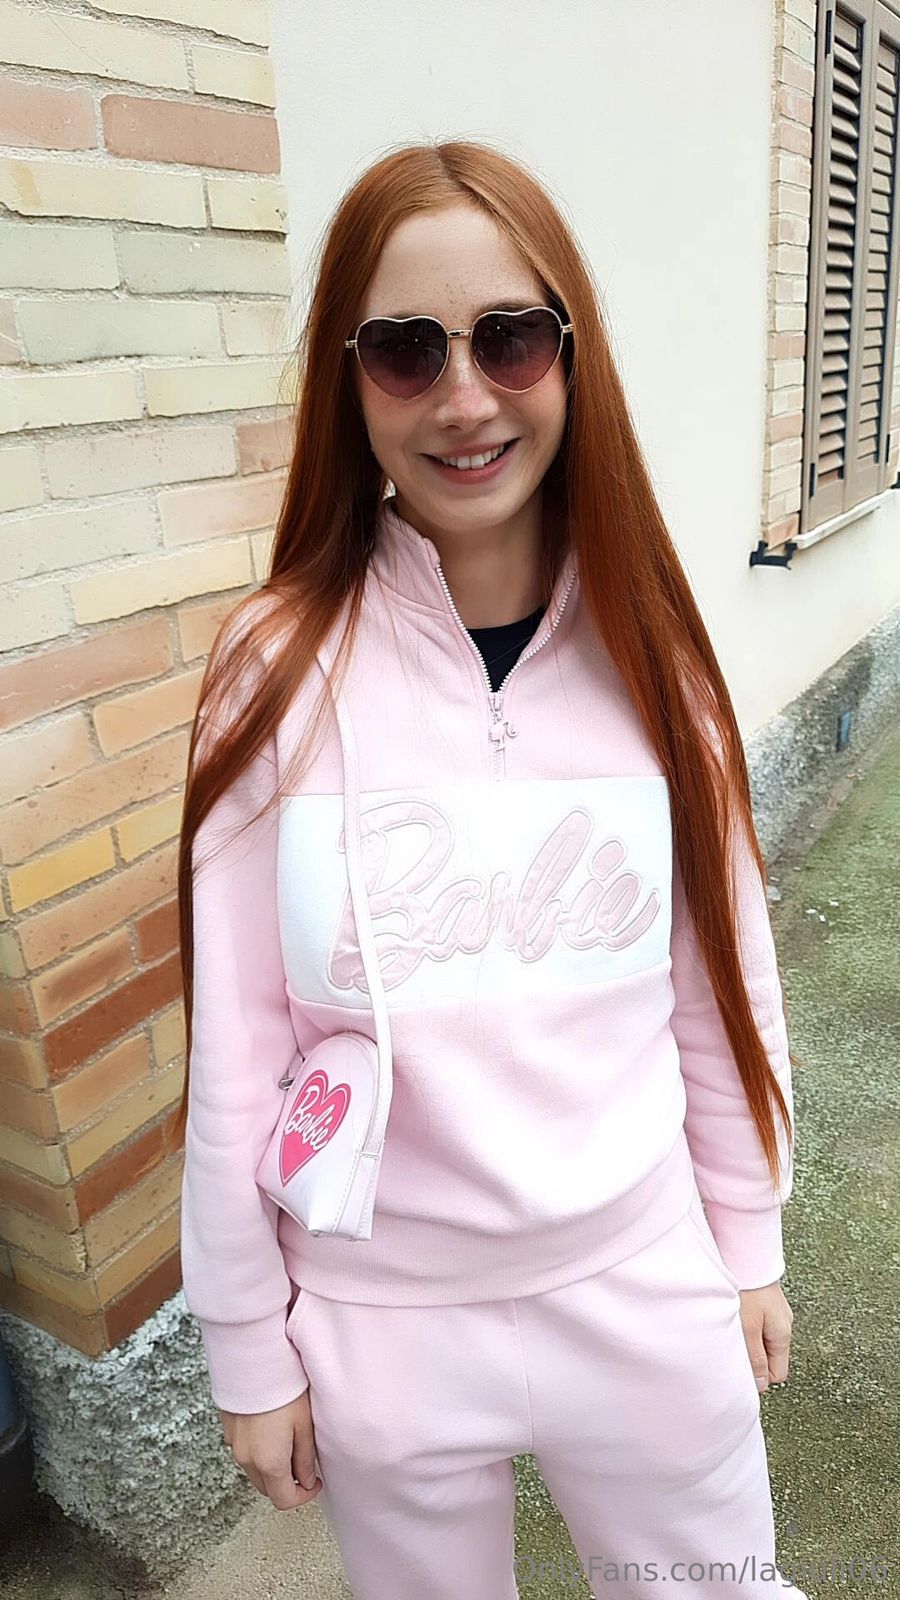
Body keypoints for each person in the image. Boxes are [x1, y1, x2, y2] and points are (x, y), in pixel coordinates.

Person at [167, 140, 806, 1599]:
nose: (464, 397)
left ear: (570, 358)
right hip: (379, 1331)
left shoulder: (655, 651)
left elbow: (720, 983)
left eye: (509, 338)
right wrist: (249, 1347)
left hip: (644, 1289)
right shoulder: (272, 668)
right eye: (407, 350)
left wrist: (747, 1243)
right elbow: (241, 1050)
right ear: (349, 382)